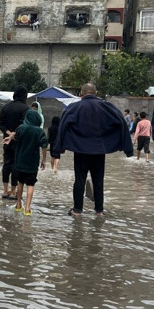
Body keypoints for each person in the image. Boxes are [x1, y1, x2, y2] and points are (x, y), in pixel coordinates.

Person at [56, 83, 134, 216]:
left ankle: (77, 210)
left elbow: (63, 126)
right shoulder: (106, 107)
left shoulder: (74, 107)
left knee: (79, 180)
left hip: (80, 150)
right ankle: (99, 210)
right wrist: (126, 147)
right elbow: (121, 122)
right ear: (95, 93)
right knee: (98, 180)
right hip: (99, 150)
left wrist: (59, 148)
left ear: (81, 93)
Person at [7, 109, 48, 215]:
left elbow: (15, 137)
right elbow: (44, 146)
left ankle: (18, 204)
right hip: (32, 162)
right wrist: (44, 160)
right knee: (30, 184)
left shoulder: (20, 128)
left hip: (20, 161)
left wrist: (10, 137)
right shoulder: (40, 131)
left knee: (20, 182)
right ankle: (27, 209)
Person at [0, 87, 29, 199]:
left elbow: (0, 123)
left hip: (6, 140)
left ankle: (5, 191)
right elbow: (25, 125)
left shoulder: (6, 107)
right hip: (18, 142)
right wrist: (14, 134)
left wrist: (8, 133)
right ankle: (13, 192)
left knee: (6, 164)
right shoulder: (26, 109)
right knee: (16, 165)